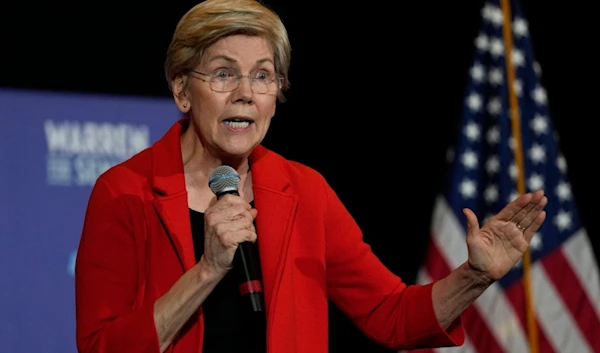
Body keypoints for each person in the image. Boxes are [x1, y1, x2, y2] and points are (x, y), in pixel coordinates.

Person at [73, 0, 548, 352]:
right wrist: (208, 270)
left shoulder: (304, 191)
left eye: (263, 76)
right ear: (181, 90)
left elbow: (391, 315)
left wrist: (474, 277)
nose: (245, 94)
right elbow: (100, 347)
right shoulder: (124, 192)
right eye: (222, 74)